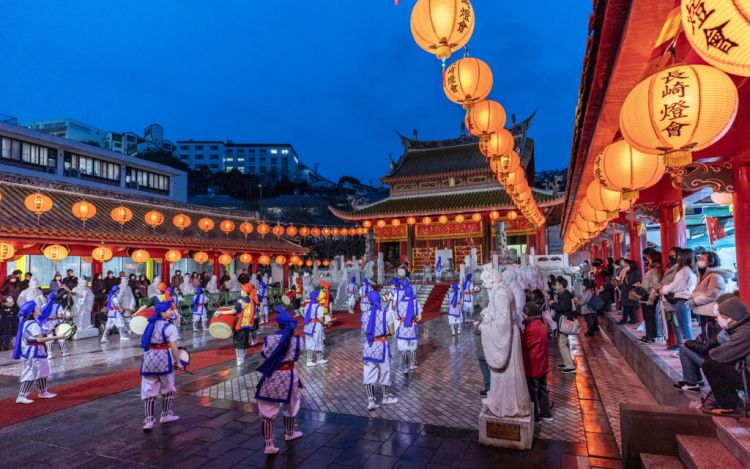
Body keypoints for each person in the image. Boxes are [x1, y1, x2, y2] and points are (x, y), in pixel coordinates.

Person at [255, 307, 305, 455]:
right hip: (289, 375)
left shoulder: (269, 340)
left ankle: (269, 445)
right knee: (291, 405)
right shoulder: (297, 340)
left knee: (268, 410)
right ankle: (289, 433)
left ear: (277, 325)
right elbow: (297, 356)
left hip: (271, 375)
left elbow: (264, 354)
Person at [700, 295, 750, 416]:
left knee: (710, 365)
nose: (717, 319)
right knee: (712, 363)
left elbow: (719, 355)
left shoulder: (745, 332)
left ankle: (730, 405)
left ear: (731, 318)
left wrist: (712, 351)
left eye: (721, 316)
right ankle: (730, 402)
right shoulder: (742, 327)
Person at [140, 300, 182, 430]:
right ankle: (165, 415)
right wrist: (178, 362)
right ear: (163, 313)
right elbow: (174, 347)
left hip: (149, 360)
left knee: (149, 391)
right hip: (164, 359)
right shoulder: (170, 327)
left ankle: (149, 421)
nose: (171, 311)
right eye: (169, 310)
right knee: (168, 388)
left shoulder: (149, 324)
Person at [13, 300, 65, 404]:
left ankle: (43, 392)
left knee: (42, 371)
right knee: (30, 373)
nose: (39, 309)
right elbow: (39, 340)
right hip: (34, 352)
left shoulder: (32, 322)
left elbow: (40, 334)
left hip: (37, 351)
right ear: (31, 312)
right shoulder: (33, 324)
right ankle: (21, 396)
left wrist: (52, 330)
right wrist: (58, 336)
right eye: (36, 308)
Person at [363, 290, 397, 410]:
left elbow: (364, 331)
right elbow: (392, 331)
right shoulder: (386, 313)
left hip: (369, 346)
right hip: (382, 345)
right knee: (385, 371)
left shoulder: (365, 314)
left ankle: (371, 401)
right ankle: (386, 397)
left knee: (368, 373)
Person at [522, 302, 553, 424]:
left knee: (533, 392)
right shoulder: (540, 324)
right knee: (543, 389)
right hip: (542, 364)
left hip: (533, 365)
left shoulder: (531, 328)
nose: (523, 317)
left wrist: (520, 332)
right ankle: (546, 413)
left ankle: (536, 416)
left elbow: (525, 344)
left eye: (524, 315)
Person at [660, 248, 697, 349]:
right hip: (685, 299)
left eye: (679, 256)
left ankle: (689, 349)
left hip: (682, 299)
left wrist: (664, 289)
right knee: (684, 326)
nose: (677, 258)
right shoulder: (690, 269)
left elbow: (676, 285)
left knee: (684, 327)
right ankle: (687, 348)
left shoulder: (684, 270)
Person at [689, 251, 730, 342]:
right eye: (700, 259)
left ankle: (711, 354)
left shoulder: (715, 276)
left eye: (702, 259)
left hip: (711, 312)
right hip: (705, 310)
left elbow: (712, 294)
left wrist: (695, 300)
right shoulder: (704, 274)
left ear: (711, 262)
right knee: (706, 335)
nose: (699, 261)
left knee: (711, 336)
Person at [549, 277, 576, 373]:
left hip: (564, 323)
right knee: (563, 343)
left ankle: (570, 366)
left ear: (560, 285)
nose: (555, 287)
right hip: (562, 322)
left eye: (556, 285)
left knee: (562, 343)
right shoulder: (564, 294)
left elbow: (562, 308)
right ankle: (566, 362)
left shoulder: (565, 295)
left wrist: (552, 304)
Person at [396, 284, 421, 374]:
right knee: (412, 347)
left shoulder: (399, 304)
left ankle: (405, 367)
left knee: (404, 349)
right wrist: (413, 319)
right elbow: (419, 317)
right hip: (412, 328)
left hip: (402, 328)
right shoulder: (415, 302)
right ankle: (412, 364)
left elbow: (397, 317)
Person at [639, 252, 663, 343]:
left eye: (649, 258)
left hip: (650, 294)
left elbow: (655, 284)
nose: (647, 260)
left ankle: (652, 335)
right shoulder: (653, 269)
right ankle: (649, 334)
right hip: (647, 293)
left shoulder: (656, 270)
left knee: (650, 316)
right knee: (647, 316)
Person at [234, 283, 260, 366]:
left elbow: (235, 310)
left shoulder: (244, 300)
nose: (241, 291)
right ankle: (242, 357)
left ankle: (240, 358)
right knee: (246, 338)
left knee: (240, 341)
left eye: (242, 289)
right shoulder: (251, 297)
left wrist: (222, 311)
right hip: (249, 320)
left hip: (243, 322)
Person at [303, 291, 327, 367]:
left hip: (308, 326)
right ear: (316, 298)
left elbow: (304, 315)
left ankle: (309, 360)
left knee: (309, 343)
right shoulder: (318, 307)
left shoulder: (307, 306)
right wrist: (325, 322)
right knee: (319, 342)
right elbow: (320, 318)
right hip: (317, 327)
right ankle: (319, 359)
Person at [43, 293, 70, 357]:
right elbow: (60, 316)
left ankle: (50, 354)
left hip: (46, 324)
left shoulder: (43, 305)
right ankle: (64, 352)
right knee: (60, 337)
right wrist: (64, 314)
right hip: (55, 323)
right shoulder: (58, 306)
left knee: (49, 338)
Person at [618, 259, 641, 325]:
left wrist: (626, 289)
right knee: (630, 306)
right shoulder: (629, 271)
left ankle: (624, 320)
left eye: (626, 264)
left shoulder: (634, 272)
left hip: (629, 290)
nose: (625, 265)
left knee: (626, 306)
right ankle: (633, 319)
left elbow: (633, 282)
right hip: (626, 290)